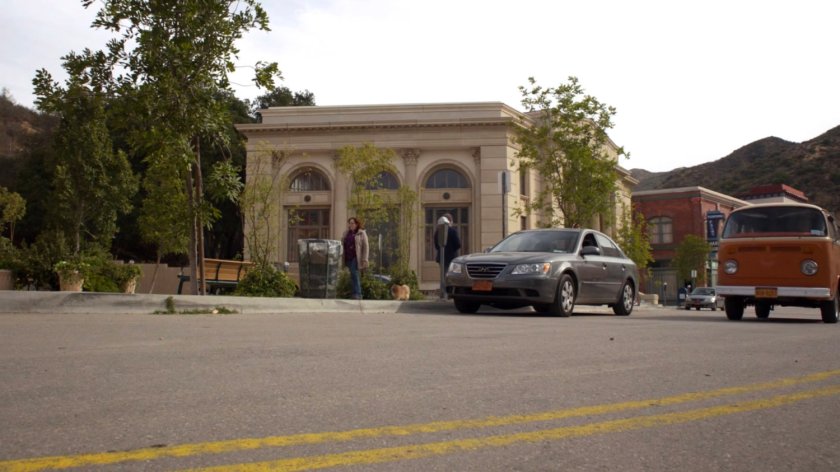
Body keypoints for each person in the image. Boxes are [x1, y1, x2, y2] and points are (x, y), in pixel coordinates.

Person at [341, 217, 369, 300]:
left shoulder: (361, 233)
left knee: (354, 273)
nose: (351, 225)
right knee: (352, 275)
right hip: (348, 257)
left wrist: (365, 259)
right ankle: (354, 293)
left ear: (356, 224)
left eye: (353, 223)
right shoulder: (346, 233)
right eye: (350, 223)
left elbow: (366, 246)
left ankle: (358, 294)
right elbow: (342, 244)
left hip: (356, 257)